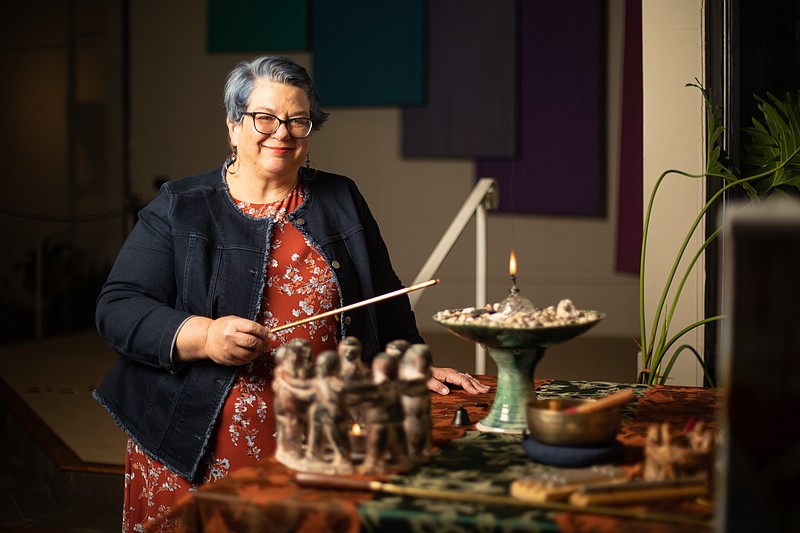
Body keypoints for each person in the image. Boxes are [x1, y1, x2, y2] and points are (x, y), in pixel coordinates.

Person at [92, 54, 489, 531]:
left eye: (297, 121)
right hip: (198, 440)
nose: (281, 133)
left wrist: (410, 366)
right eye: (264, 118)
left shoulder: (341, 197)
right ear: (233, 125)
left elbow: (386, 299)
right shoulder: (181, 206)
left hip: (322, 431)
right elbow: (117, 307)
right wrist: (203, 336)